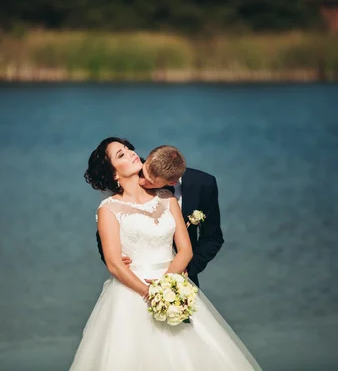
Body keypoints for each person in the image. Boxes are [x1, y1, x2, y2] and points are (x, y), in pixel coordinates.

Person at [69, 137, 262, 370]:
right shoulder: (109, 208)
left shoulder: (167, 198)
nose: (131, 152)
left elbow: (186, 249)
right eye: (121, 154)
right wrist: (150, 292)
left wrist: (167, 285)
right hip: (132, 293)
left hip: (173, 285)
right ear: (114, 175)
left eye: (129, 148)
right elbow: (113, 262)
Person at [96, 143, 224, 287]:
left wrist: (184, 271)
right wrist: (114, 258)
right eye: (143, 174)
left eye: (149, 181)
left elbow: (212, 238)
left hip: (181, 279)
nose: (141, 181)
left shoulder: (202, 185)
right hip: (135, 277)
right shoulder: (137, 167)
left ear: (171, 182)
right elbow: (111, 226)